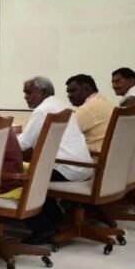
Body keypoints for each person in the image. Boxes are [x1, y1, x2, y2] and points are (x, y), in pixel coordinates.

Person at [17, 76, 93, 243]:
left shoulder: (42, 110)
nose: (26, 97)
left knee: (22, 180)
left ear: (43, 91)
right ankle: (56, 217)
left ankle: (42, 227)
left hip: (65, 168)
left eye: (29, 93)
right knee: (37, 171)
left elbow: (23, 143)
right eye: (24, 93)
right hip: (82, 168)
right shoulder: (61, 105)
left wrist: (3, 138)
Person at [66, 74, 115, 154]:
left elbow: (62, 134)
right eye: (68, 92)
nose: (69, 96)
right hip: (111, 158)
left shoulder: (88, 108)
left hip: (94, 160)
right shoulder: (103, 101)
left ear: (87, 89)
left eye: (73, 91)